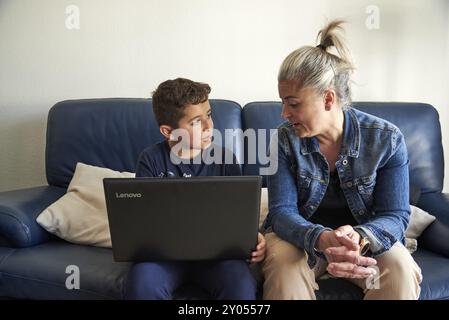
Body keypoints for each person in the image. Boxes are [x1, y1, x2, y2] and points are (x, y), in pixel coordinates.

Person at [261, 20, 422, 300]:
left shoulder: (387, 140)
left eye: (293, 103)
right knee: (285, 267)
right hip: (300, 240)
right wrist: (322, 239)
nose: (284, 113)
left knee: (399, 270)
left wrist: (360, 237)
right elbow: (282, 213)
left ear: (328, 98)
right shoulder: (283, 140)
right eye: (282, 103)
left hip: (366, 243)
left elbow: (395, 215)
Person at [125, 78, 266, 300]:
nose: (210, 126)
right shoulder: (150, 160)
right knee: (142, 285)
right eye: (196, 122)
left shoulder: (225, 159)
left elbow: (238, 214)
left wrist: (252, 236)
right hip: (165, 258)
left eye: (209, 115)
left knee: (241, 286)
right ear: (168, 131)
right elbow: (143, 222)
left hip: (217, 258)